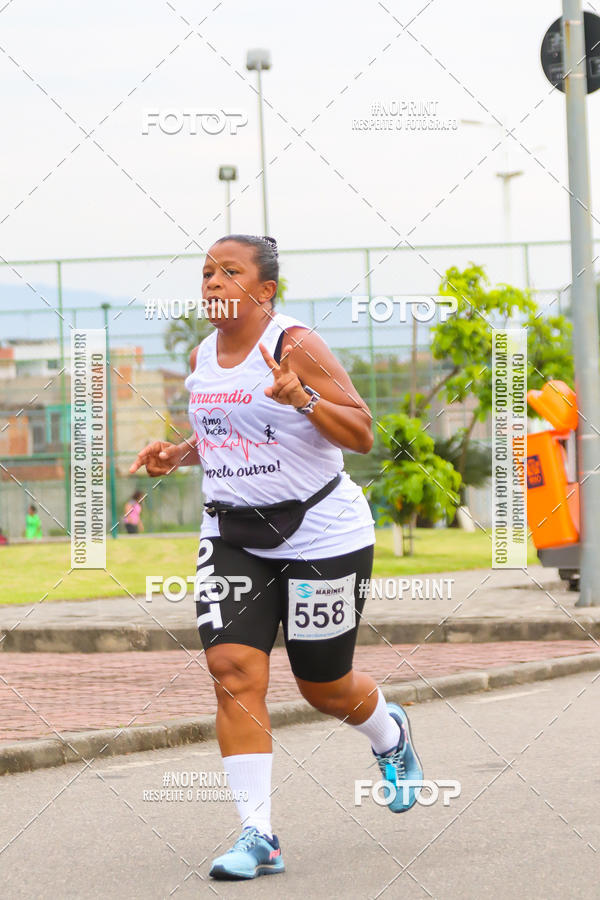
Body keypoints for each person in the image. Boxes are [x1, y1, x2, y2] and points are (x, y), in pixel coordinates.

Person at [130, 234, 423, 881]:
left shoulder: (297, 345)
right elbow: (223, 433)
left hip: (322, 535)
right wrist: (178, 453)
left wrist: (304, 400)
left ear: (265, 290)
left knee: (323, 686)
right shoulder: (201, 355)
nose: (212, 282)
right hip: (233, 536)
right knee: (233, 671)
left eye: (229, 272)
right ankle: (258, 835)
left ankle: (389, 734)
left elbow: (362, 431)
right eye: (207, 272)